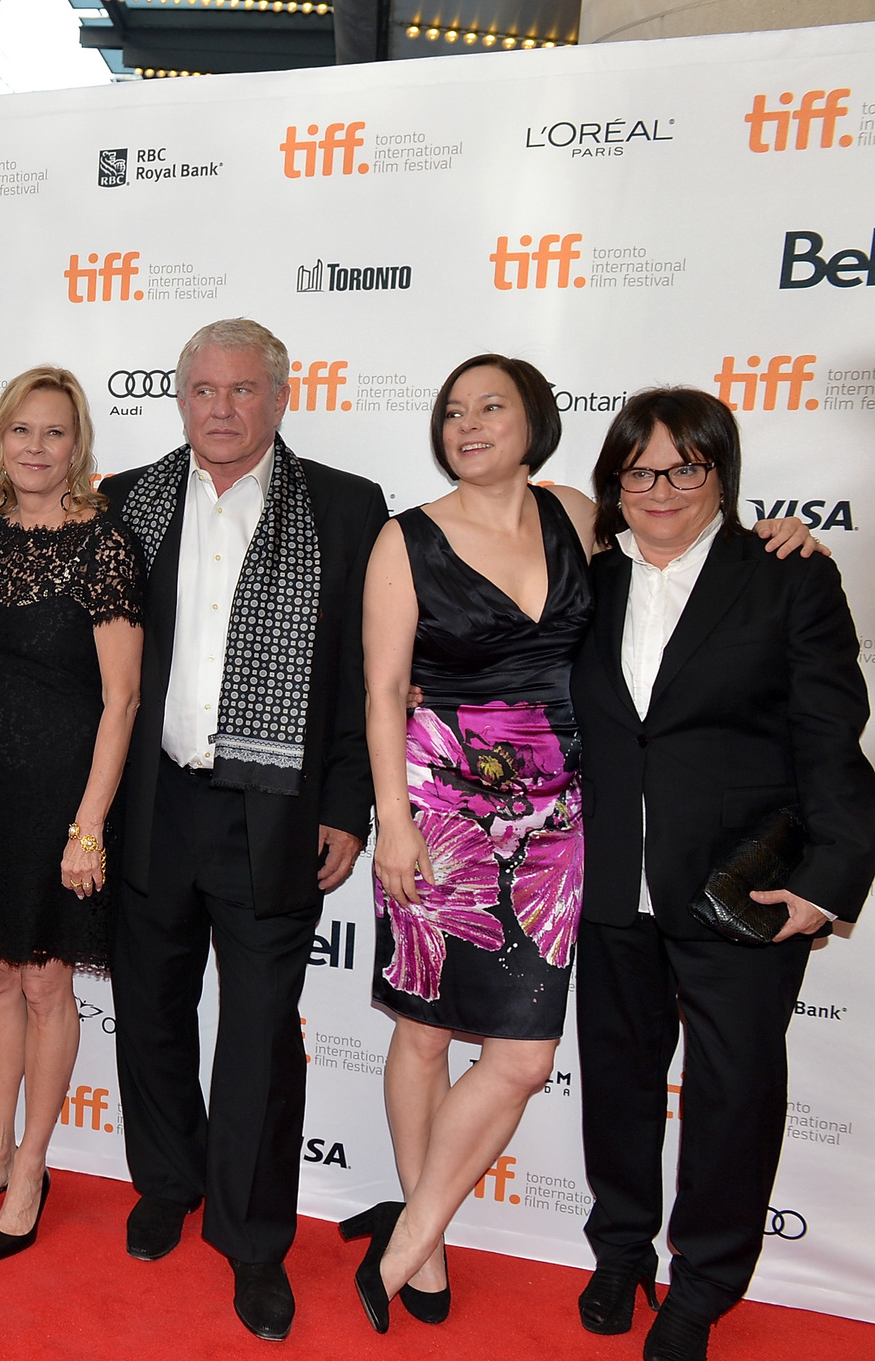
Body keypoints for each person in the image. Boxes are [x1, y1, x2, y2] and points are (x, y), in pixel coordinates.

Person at [570, 389, 875, 1361]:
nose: (659, 487)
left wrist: (827, 882)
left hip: (742, 891)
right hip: (609, 881)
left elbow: (831, 741)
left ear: (720, 474)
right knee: (616, 1081)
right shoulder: (580, 580)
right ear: (611, 480)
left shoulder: (787, 577)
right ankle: (618, 1247)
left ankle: (701, 1283)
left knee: (731, 1093)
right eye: (638, 468)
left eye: (684, 467)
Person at [100, 319, 384, 1341]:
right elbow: (83, 660)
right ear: (178, 397)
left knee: (261, 1031)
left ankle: (253, 1238)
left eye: (242, 389)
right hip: (149, 803)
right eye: (201, 389)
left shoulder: (346, 508)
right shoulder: (121, 500)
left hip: (272, 809)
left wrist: (345, 805)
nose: (220, 408)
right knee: (150, 1009)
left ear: (279, 395)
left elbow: (366, 672)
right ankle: (167, 1181)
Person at [349, 355, 595, 1331]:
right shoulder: (404, 540)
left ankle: (405, 1231)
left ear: (533, 417)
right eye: (451, 410)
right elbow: (378, 694)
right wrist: (392, 826)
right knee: (421, 1030)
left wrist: (777, 533)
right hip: (437, 813)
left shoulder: (577, 514)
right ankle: (429, 1244)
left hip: (555, 822)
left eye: (489, 405)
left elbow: (682, 553)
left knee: (523, 1055)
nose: (467, 423)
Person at [0, 367, 143, 1260]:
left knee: (50, 983)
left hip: (65, 796)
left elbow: (122, 698)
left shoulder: (104, 543)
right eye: (21, 429)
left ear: (77, 446)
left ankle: (33, 1165)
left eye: (54, 432)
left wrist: (89, 824)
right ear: (0, 439)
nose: (34, 446)